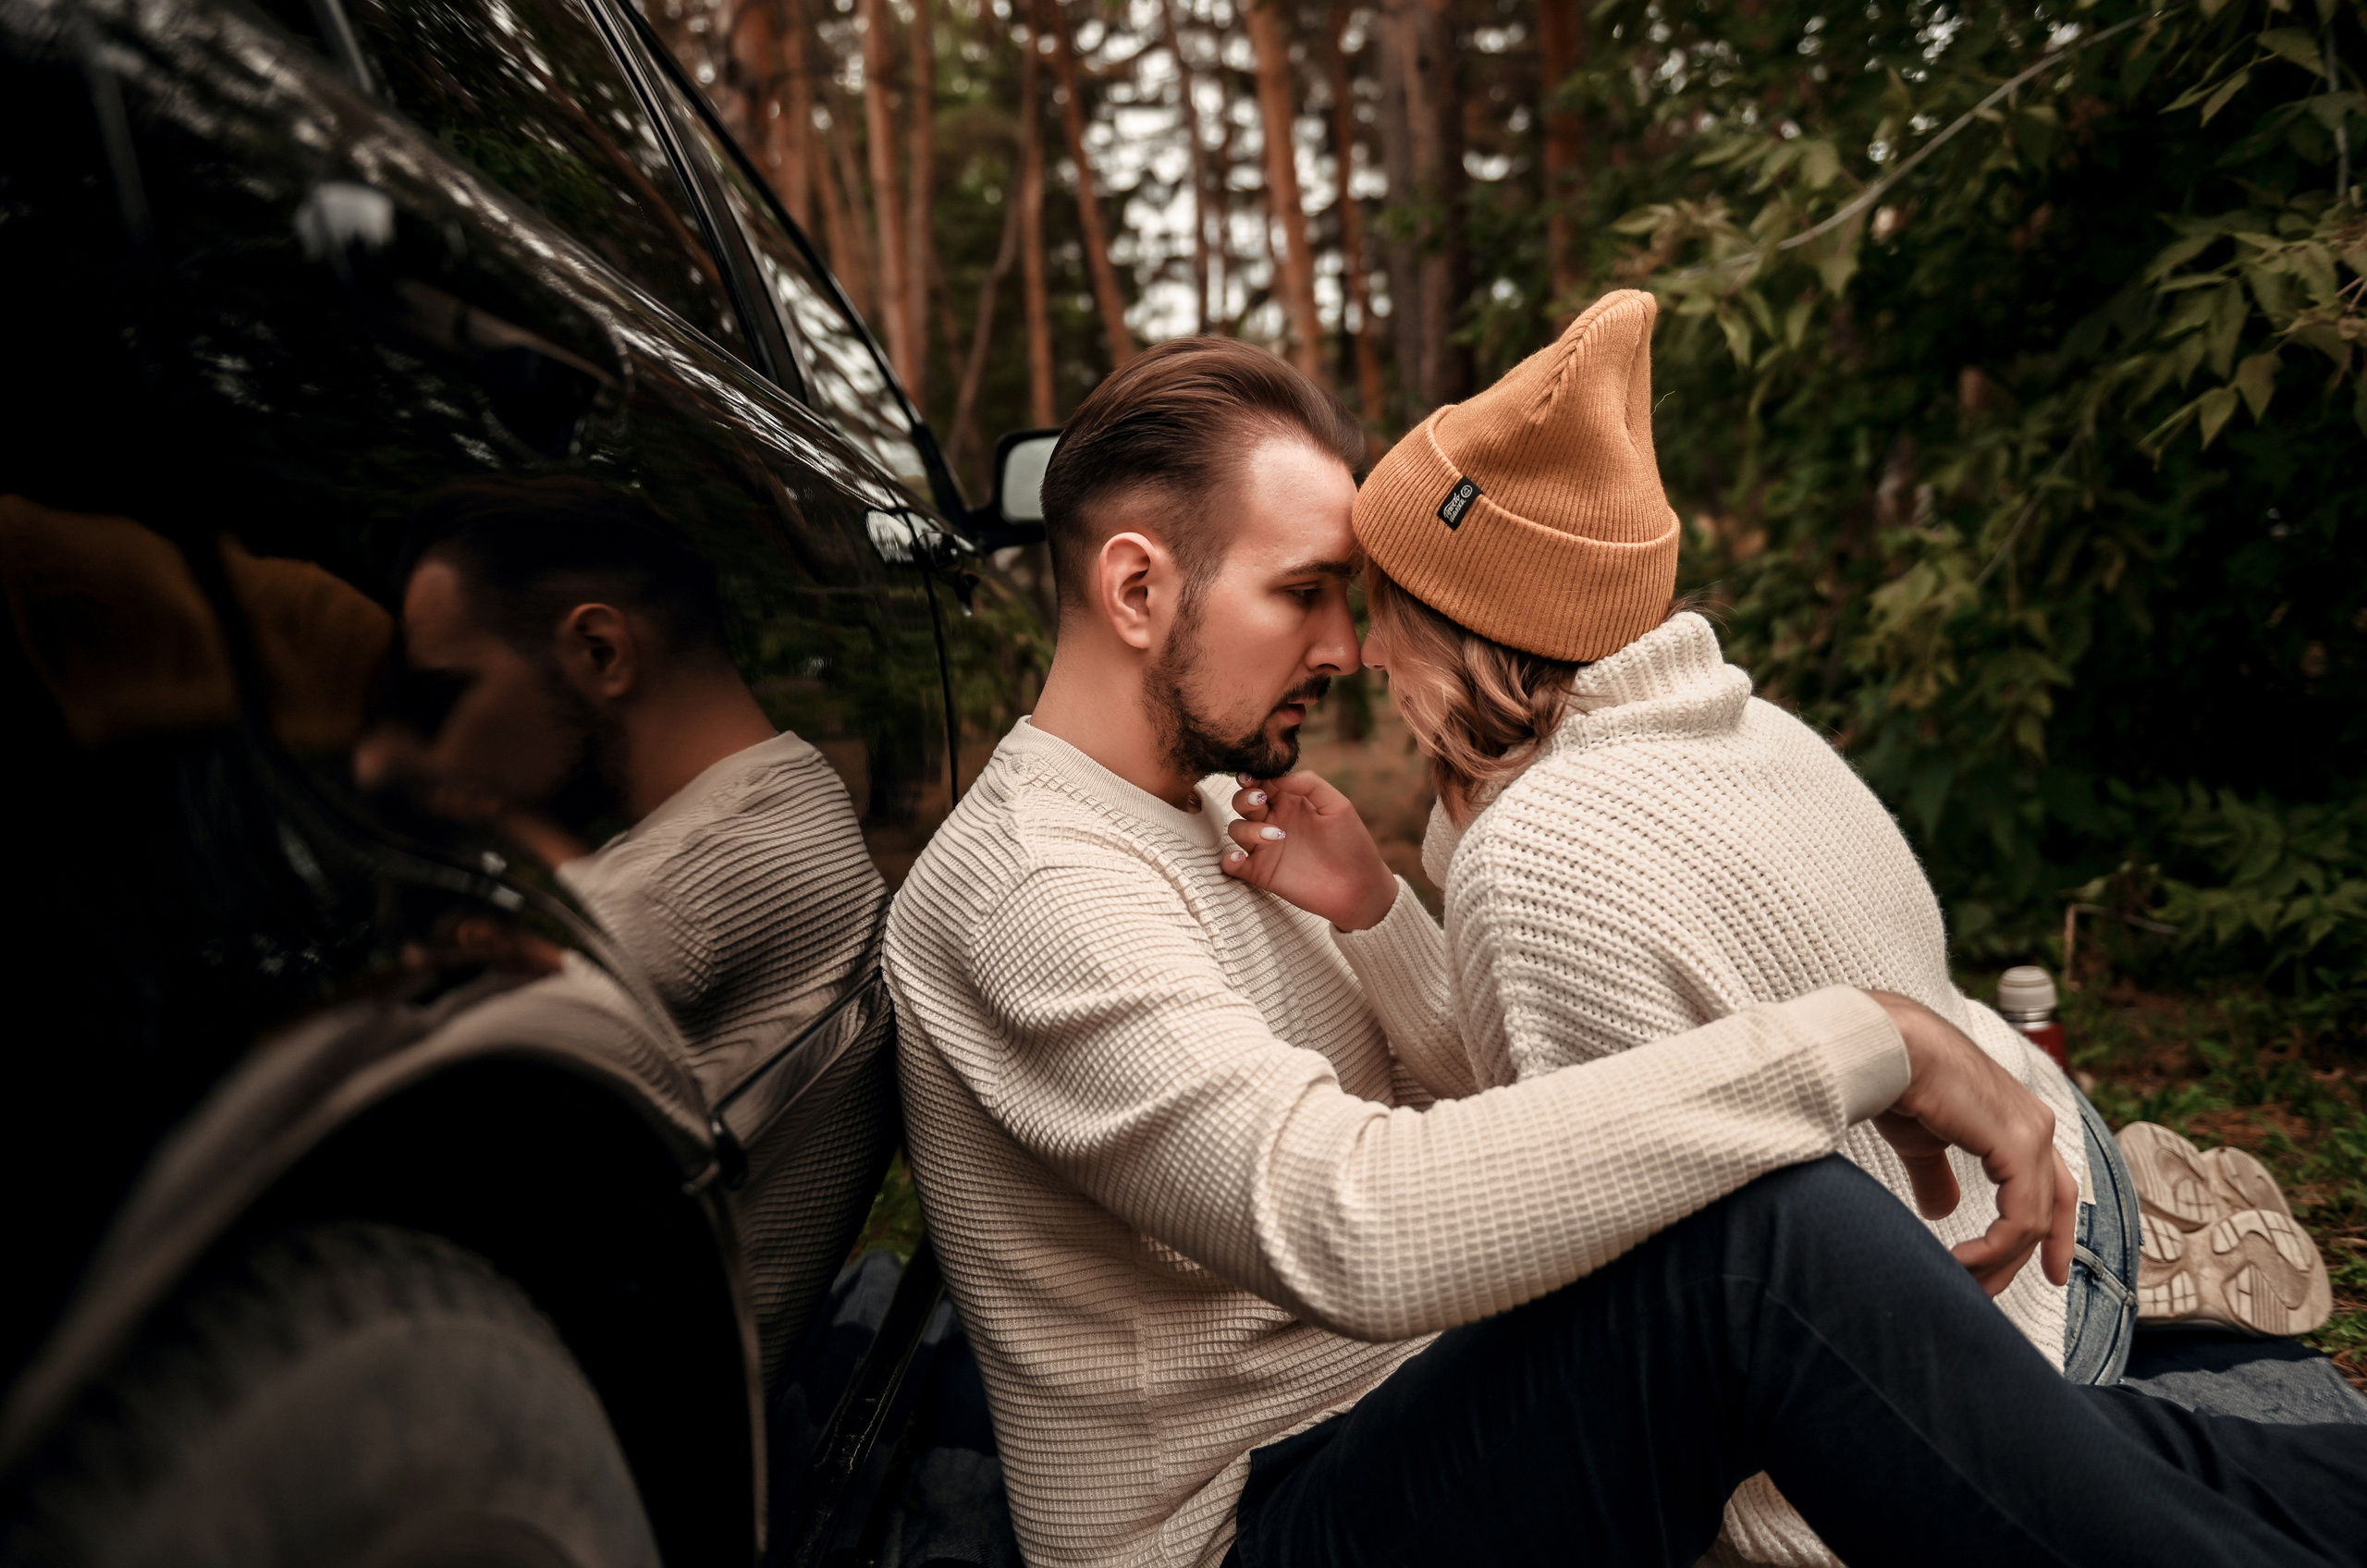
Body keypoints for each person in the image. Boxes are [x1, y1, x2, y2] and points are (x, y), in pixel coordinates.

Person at [879, 339, 2367, 1568]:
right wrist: (1872, 1038)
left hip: (1411, 1405)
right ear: (1139, 590)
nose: (1345, 647)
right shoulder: (1036, 889)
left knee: (2035, 1436)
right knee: (1760, 1244)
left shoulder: (1218, 811)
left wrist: (1380, 919)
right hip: (1254, 1519)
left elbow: (1476, 1119)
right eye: (1305, 592)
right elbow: (1348, 1215)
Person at [1213, 289, 2140, 1565]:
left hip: (2005, 1353)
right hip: (2074, 1187)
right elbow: (1569, 1096)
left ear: (1469, 623)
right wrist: (1379, 908)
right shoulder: (1749, 728)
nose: (1366, 653)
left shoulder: (1540, 858)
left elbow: (1642, 1291)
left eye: (1389, 607)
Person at [355, 477, 885, 1087]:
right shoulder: (798, 785)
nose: (380, 757)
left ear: (599, 650)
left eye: (440, 696)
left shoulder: (667, 899)